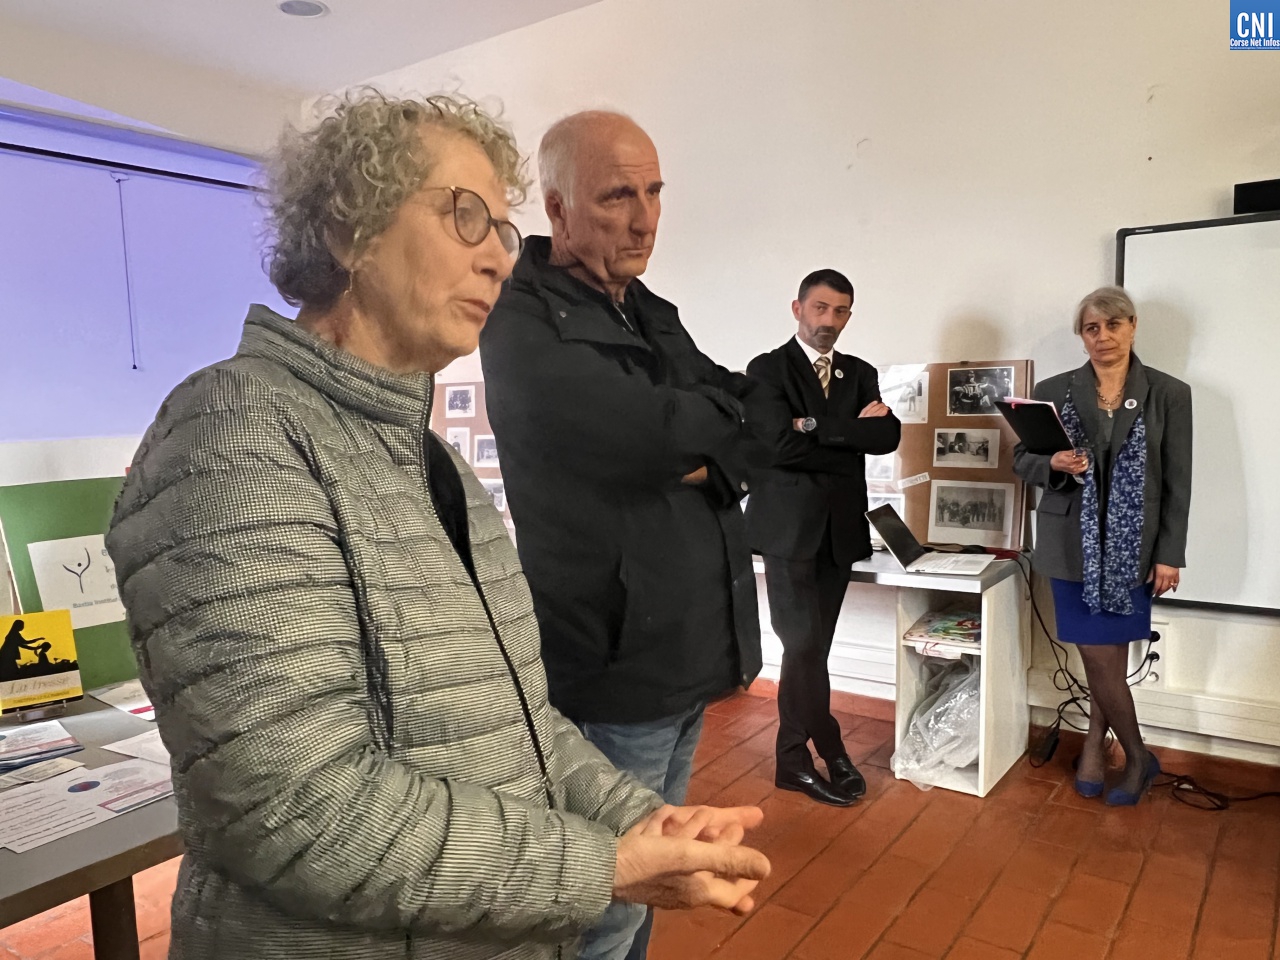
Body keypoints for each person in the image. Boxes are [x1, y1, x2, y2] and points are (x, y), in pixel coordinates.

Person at [105, 91, 769, 960]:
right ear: (348, 232)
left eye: (502, 228)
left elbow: (518, 720)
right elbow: (302, 810)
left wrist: (639, 818)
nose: (499, 256)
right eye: (466, 216)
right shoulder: (235, 436)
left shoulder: (431, 461)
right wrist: (601, 865)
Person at [480, 110, 762, 960]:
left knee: (657, 880)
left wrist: (704, 448)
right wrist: (692, 438)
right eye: (616, 197)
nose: (644, 220)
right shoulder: (519, 315)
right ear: (557, 210)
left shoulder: (647, 308)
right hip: (612, 659)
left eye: (654, 192)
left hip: (689, 647)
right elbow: (654, 435)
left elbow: (745, 411)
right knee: (607, 900)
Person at [1014, 285, 1191, 806]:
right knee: (1098, 655)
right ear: (1082, 335)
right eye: (1092, 327)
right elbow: (1022, 459)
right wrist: (1052, 463)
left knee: (1104, 657)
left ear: (1132, 326)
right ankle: (1126, 751)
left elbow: (1178, 480)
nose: (1103, 336)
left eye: (1114, 324)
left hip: (1135, 549)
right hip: (1070, 544)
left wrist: (1170, 553)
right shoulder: (1053, 390)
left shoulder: (1169, 393)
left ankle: (1115, 747)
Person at [743, 269, 901, 806]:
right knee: (803, 645)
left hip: (839, 531)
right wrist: (849, 434)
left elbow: (886, 436)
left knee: (812, 650)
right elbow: (773, 447)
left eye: (840, 311)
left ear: (849, 316)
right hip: (787, 531)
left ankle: (791, 760)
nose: (829, 320)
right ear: (798, 308)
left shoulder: (861, 373)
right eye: (820, 308)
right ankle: (830, 748)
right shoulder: (767, 369)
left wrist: (811, 425)